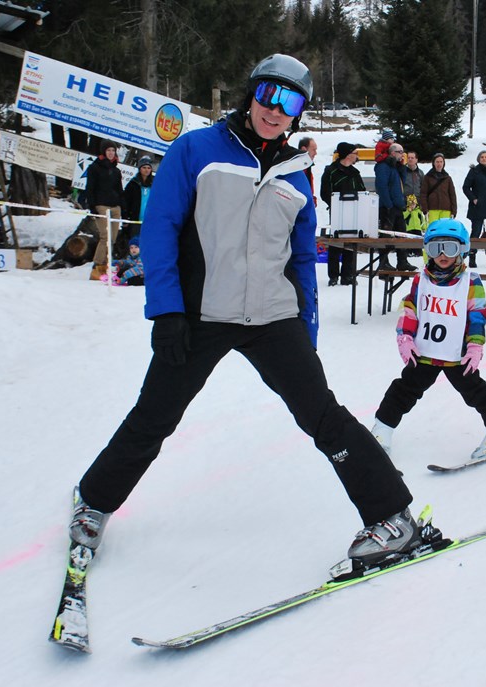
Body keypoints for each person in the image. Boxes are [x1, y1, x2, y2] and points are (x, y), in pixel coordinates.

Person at [68, 54, 436, 571]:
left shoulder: (297, 173)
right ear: (251, 93)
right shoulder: (196, 149)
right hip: (201, 314)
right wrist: (167, 310)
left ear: (299, 113)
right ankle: (93, 501)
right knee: (155, 415)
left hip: (273, 318)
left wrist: (306, 330)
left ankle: (393, 517)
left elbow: (302, 259)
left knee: (324, 416)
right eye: (268, 93)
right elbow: (160, 230)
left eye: (290, 102)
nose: (275, 109)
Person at [369, 219, 486, 464]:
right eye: (436, 248)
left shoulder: (470, 281)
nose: (442, 255)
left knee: (475, 391)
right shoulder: (421, 279)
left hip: (456, 354)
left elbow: (477, 314)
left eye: (450, 248)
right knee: (403, 391)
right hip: (424, 352)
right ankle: (381, 431)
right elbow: (411, 307)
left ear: (462, 249)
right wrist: (405, 336)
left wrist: (475, 345)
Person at [319, 141, 366, 286]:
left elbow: (362, 191)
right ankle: (333, 275)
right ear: (347, 155)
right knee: (336, 242)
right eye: (355, 153)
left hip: (353, 212)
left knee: (351, 242)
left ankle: (347, 275)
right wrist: (336, 204)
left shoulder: (355, 173)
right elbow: (324, 192)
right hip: (337, 211)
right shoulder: (331, 171)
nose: (357, 156)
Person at [85, 140, 124, 278]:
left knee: (112, 238)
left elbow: (119, 190)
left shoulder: (116, 170)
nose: (111, 153)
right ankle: (97, 264)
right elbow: (90, 188)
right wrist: (92, 206)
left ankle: (106, 264)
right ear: (103, 152)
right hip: (101, 205)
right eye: (108, 150)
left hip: (115, 206)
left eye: (113, 150)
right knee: (104, 237)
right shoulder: (94, 168)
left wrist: (122, 206)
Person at [374, 142, 414, 271]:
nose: (403, 155)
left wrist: (401, 166)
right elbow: (382, 186)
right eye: (400, 152)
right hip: (388, 207)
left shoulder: (396, 167)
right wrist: (388, 204)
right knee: (386, 236)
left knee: (402, 234)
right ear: (392, 153)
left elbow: (402, 181)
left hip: (397, 205)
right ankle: (383, 261)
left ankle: (402, 261)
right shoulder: (383, 166)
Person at [462, 150, 486, 269]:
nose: (484, 159)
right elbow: (466, 187)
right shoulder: (474, 171)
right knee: (476, 232)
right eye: (482, 157)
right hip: (478, 208)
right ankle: (472, 257)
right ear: (479, 159)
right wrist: (473, 199)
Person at [419, 152, 457, 224]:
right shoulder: (427, 177)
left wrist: (454, 211)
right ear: (433, 163)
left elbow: (452, 195)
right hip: (432, 210)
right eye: (437, 162)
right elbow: (423, 194)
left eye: (441, 162)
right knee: (433, 228)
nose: (439, 164)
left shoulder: (448, 178)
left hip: (446, 210)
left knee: (444, 229)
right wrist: (425, 209)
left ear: (443, 163)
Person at [122, 156, 155, 232]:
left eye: (148, 168)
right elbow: (125, 201)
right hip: (135, 220)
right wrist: (125, 217)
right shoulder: (133, 184)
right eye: (144, 167)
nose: (146, 170)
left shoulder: (154, 184)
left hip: (149, 220)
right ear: (140, 169)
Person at [297, 136, 318, 206]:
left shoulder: (307, 167)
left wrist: (312, 199)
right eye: (313, 150)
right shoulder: (295, 169)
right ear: (304, 149)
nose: (316, 153)